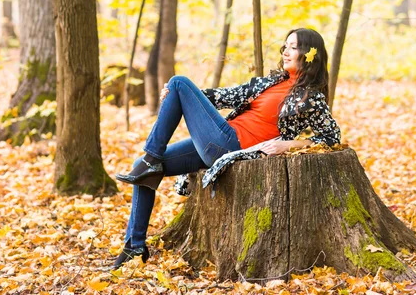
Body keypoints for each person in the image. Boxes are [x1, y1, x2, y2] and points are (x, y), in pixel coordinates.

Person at [112, 28, 341, 269]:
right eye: (285, 46)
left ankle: (152, 156)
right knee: (144, 169)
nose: (285, 51)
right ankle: (134, 245)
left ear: (309, 54)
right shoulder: (270, 82)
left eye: (293, 47)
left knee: (179, 82)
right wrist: (175, 97)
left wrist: (290, 143)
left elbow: (332, 137)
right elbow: (224, 96)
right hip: (220, 139)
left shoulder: (311, 98)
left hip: (231, 146)